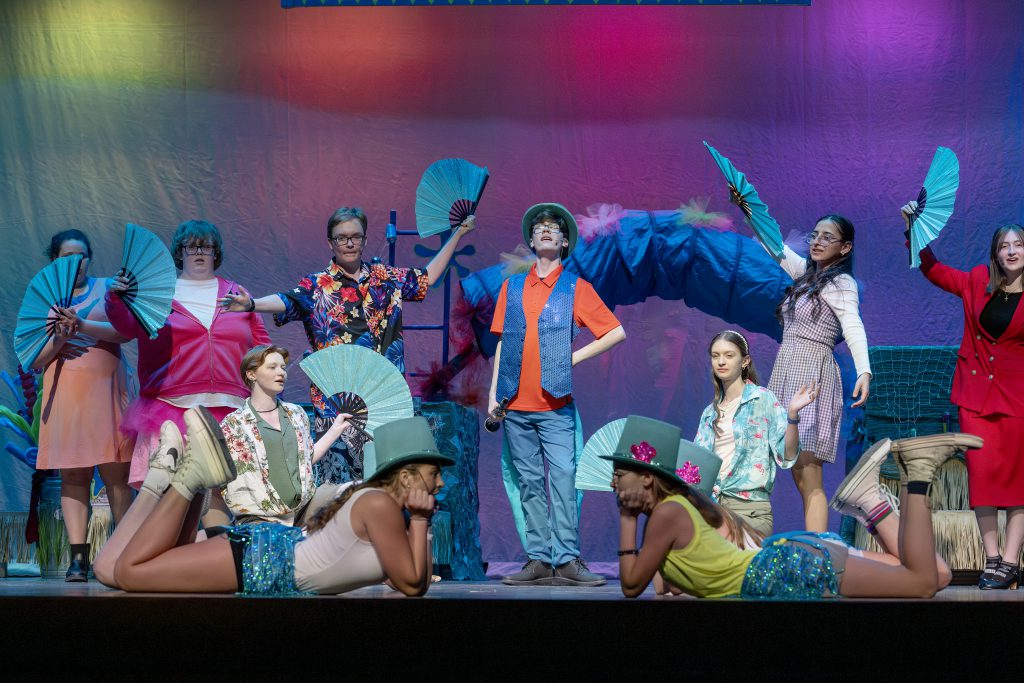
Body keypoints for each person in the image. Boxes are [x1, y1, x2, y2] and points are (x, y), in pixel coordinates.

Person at [219, 207, 474, 484]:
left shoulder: (386, 279)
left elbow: (427, 277)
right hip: (336, 406)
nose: (349, 243)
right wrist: (253, 304)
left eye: (355, 237)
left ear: (364, 241)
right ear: (331, 242)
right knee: (339, 493)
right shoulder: (317, 285)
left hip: (383, 403)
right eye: (341, 238)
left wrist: (459, 233)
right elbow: (287, 300)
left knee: (386, 486)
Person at [609, 415, 968, 599]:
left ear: (646, 478)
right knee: (927, 578)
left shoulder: (668, 513)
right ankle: (902, 481)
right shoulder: (674, 512)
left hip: (786, 569)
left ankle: (917, 475)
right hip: (788, 563)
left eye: (620, 473)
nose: (613, 483)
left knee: (921, 583)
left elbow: (631, 585)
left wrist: (626, 517)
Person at [93, 414, 450, 597]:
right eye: (433, 473)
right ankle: (191, 478)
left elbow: (409, 576)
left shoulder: (376, 506)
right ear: (405, 477)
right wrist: (420, 521)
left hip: (264, 554)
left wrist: (422, 524)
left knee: (109, 570)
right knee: (129, 573)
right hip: (262, 561)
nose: (440, 482)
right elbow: (412, 585)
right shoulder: (379, 505)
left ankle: (163, 479)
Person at [488, 203, 626, 587]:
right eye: (539, 227)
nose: (546, 230)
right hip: (514, 404)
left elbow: (615, 332)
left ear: (564, 241)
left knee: (563, 478)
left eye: (554, 227)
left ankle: (566, 557)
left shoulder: (575, 288)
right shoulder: (512, 287)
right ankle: (537, 558)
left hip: (555, 405)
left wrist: (573, 356)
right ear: (531, 240)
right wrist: (492, 397)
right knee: (529, 482)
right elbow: (501, 344)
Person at [105, 219, 269, 526]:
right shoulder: (158, 294)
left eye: (205, 245)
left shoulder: (236, 293)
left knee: (219, 492)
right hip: (170, 405)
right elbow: (127, 326)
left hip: (228, 406)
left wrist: (267, 392)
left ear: (215, 252)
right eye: (191, 245)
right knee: (169, 492)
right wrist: (116, 299)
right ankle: (162, 562)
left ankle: (210, 563)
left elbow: (260, 345)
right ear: (179, 252)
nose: (198, 251)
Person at [902, 204, 1024, 589]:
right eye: (1004, 245)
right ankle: (992, 559)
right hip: (975, 397)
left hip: (1019, 399)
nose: (1011, 250)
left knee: (1020, 483)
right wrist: (915, 230)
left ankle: (1010, 561)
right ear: (995, 253)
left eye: (1019, 244)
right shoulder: (975, 281)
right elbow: (934, 270)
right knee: (983, 479)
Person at [740, 207, 872, 532]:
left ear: (845, 247)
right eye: (814, 235)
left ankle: (819, 554)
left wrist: (864, 371)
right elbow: (775, 247)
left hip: (812, 375)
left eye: (827, 238)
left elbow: (853, 326)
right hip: (787, 370)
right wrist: (748, 209)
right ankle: (816, 545)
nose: (817, 242)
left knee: (808, 469)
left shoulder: (841, 283)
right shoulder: (807, 275)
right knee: (796, 468)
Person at [31, 230, 134, 581]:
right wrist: (59, 340)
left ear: (90, 258)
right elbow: (35, 359)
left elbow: (125, 333)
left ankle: (121, 551)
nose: (75, 262)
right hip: (67, 391)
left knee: (116, 472)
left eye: (82, 255)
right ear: (54, 259)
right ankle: (78, 559)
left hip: (106, 388)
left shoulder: (109, 289)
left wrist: (83, 325)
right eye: (66, 256)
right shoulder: (45, 297)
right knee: (73, 474)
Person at [693, 330, 819, 536]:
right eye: (716, 356)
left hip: (749, 510)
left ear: (745, 361)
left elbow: (787, 456)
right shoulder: (709, 413)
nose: (721, 362)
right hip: (711, 509)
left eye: (729, 355)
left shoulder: (763, 400)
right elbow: (696, 466)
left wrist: (793, 415)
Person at [220, 345, 352, 526]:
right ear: (252, 374)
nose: (281, 372)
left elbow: (305, 460)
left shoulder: (296, 414)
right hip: (260, 518)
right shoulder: (234, 424)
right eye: (272, 367)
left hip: (303, 509)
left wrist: (335, 430)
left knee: (351, 495)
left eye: (282, 367)